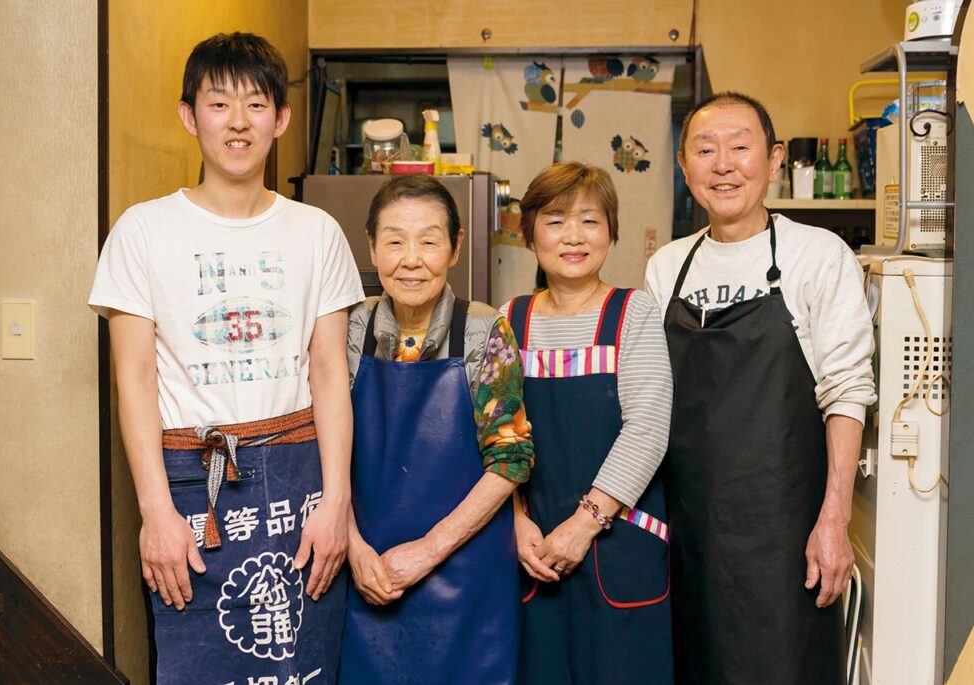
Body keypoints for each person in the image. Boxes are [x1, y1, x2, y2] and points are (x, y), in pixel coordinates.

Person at [89, 33, 363, 685]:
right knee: (196, 662)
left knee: (304, 662)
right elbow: (133, 378)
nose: (238, 122)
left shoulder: (316, 231)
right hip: (191, 479)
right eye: (219, 103)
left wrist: (338, 502)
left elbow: (329, 373)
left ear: (281, 119)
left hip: (301, 475)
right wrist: (154, 510)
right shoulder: (142, 231)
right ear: (190, 116)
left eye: (255, 104)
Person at [644, 91, 876, 684]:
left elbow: (846, 391)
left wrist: (834, 521)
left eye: (740, 147)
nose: (723, 164)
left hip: (784, 535)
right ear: (683, 164)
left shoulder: (818, 255)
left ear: (773, 161)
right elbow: (649, 395)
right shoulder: (667, 266)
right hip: (686, 529)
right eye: (705, 149)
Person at [339, 175, 532, 685]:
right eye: (395, 241)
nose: (411, 258)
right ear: (372, 246)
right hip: (368, 574)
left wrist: (428, 551)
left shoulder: (485, 329)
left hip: (468, 578)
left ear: (455, 246)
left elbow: (511, 459)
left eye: (429, 240)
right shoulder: (349, 330)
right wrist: (354, 550)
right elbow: (320, 450)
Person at [503, 162, 674, 684]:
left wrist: (583, 525)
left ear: (612, 233)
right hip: (533, 549)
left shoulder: (634, 313)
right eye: (554, 221)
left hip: (618, 541)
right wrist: (514, 520)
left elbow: (647, 429)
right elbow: (495, 433)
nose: (572, 237)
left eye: (589, 221)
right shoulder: (508, 319)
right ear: (529, 233)